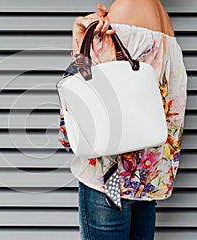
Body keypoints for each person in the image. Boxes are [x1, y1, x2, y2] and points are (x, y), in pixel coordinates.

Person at [58, 0, 188, 239]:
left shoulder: (124, 12)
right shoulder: (165, 27)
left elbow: (85, 103)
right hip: (146, 185)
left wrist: (80, 43)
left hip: (111, 183)